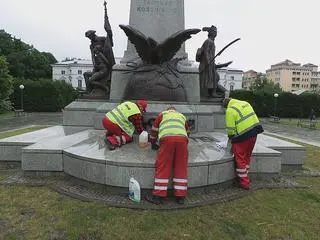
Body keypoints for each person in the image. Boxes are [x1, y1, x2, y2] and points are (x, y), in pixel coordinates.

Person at [145, 107, 190, 205]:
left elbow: (154, 131)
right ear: (175, 110)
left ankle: (158, 196)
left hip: (167, 139)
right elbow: (187, 131)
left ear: (168, 110)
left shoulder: (162, 115)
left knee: (163, 166)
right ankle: (180, 196)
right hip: (182, 140)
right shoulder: (181, 116)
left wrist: (153, 142)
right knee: (181, 166)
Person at [222, 98, 264, 190]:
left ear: (226, 106)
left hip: (242, 137)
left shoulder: (230, 110)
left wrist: (231, 139)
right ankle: (245, 174)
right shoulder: (245, 103)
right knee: (247, 156)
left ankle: (244, 182)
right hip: (254, 133)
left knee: (240, 159)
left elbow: (230, 130)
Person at [83, 1, 115, 99]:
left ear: (93, 35)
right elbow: (93, 57)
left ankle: (105, 88)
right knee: (85, 75)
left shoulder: (102, 39)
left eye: (90, 37)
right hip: (98, 67)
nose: (90, 39)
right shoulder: (91, 45)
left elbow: (110, 44)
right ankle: (90, 92)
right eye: (88, 38)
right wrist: (94, 66)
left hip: (104, 67)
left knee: (91, 80)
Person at [198, 25, 218, 98]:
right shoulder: (208, 41)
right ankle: (210, 93)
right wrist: (208, 62)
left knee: (214, 77)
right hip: (207, 63)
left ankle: (212, 93)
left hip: (211, 62)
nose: (216, 33)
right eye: (214, 31)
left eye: (216, 32)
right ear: (211, 33)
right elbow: (206, 52)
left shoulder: (211, 42)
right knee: (209, 78)